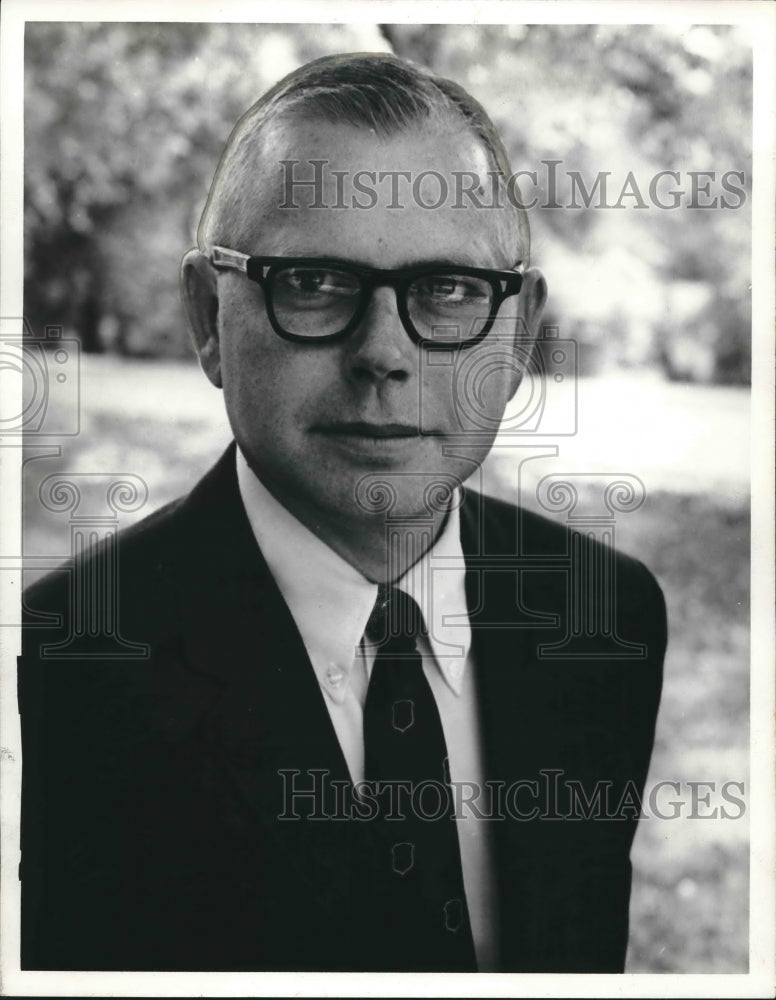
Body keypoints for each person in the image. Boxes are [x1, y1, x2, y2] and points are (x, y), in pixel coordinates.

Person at [19, 52, 666, 973]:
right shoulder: (68, 658)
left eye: (448, 289)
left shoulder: (609, 616)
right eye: (314, 283)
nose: (383, 355)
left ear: (517, 336)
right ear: (208, 317)